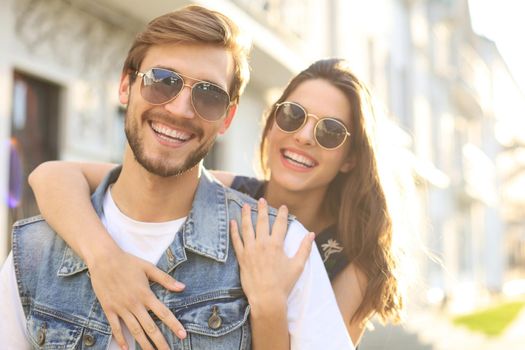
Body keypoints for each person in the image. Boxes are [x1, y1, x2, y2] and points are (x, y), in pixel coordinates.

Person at [0, 6, 353, 350]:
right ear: (126, 85)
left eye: (209, 95)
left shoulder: (282, 246)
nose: (179, 109)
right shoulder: (35, 251)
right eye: (162, 81)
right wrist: (103, 257)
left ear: (227, 118)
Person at [25, 57, 404, 346]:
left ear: (351, 157)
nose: (304, 136)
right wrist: (104, 258)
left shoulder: (354, 260)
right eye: (292, 116)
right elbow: (51, 176)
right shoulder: (225, 195)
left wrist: (269, 303)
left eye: (330, 131)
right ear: (271, 124)